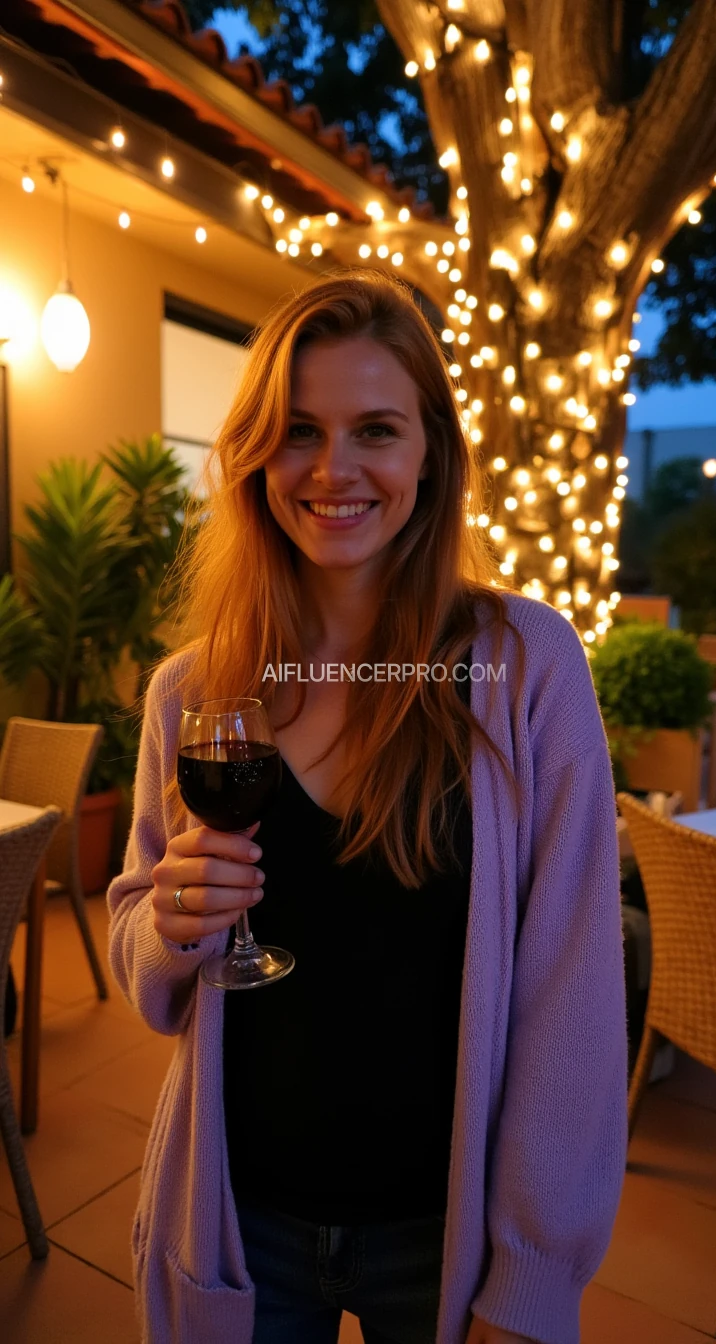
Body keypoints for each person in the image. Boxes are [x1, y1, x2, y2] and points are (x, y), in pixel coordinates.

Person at [107, 270, 628, 1344]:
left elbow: (574, 990)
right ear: (256, 454)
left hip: (446, 1233)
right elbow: (138, 955)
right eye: (299, 431)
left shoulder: (522, 666)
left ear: (432, 451)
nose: (332, 470)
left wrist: (531, 1273)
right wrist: (166, 925)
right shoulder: (195, 692)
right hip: (240, 1218)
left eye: (375, 430)